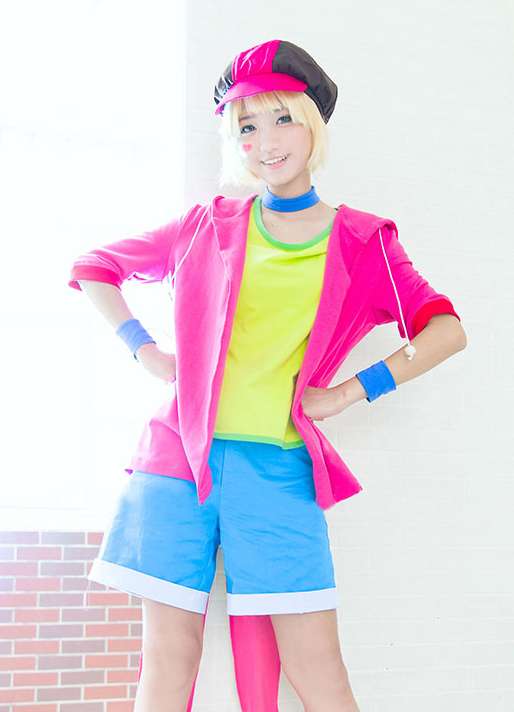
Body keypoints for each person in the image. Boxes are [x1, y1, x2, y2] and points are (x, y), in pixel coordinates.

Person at [68, 38, 466, 712]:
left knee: (319, 670)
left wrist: (351, 391)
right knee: (168, 662)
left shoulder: (362, 240)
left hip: (278, 472)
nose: (265, 141)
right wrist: (147, 351)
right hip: (174, 465)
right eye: (246, 127)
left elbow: (445, 330)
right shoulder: (206, 224)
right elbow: (95, 268)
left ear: (312, 124)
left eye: (282, 119)